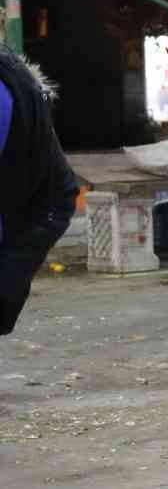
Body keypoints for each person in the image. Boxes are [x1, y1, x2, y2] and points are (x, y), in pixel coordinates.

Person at [0, 45, 76, 337]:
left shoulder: (15, 85)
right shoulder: (19, 82)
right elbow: (60, 194)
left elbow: (59, 195)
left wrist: (9, 277)